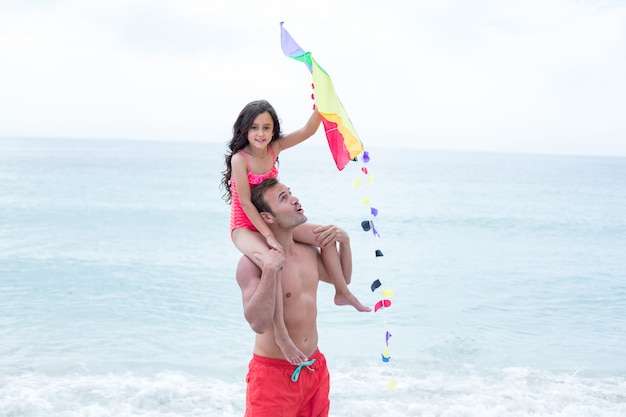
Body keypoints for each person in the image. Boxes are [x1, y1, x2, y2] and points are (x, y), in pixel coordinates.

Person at [221, 100, 370, 365]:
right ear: (244, 130)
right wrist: (267, 237)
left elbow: (308, 130)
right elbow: (245, 203)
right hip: (245, 225)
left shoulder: (274, 148)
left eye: (267, 128)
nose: (260, 134)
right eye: (254, 128)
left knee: (322, 235)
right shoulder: (239, 159)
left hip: (270, 220)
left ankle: (341, 291)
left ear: (273, 130)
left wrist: (324, 103)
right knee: (272, 260)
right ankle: (281, 335)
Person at [236, 177, 352, 417]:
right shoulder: (250, 264)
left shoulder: (308, 252)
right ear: (267, 218)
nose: (295, 199)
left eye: (290, 193)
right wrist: (270, 270)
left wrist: (345, 242)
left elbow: (343, 278)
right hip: (273, 377)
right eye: (284, 198)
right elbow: (257, 323)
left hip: (314, 369)